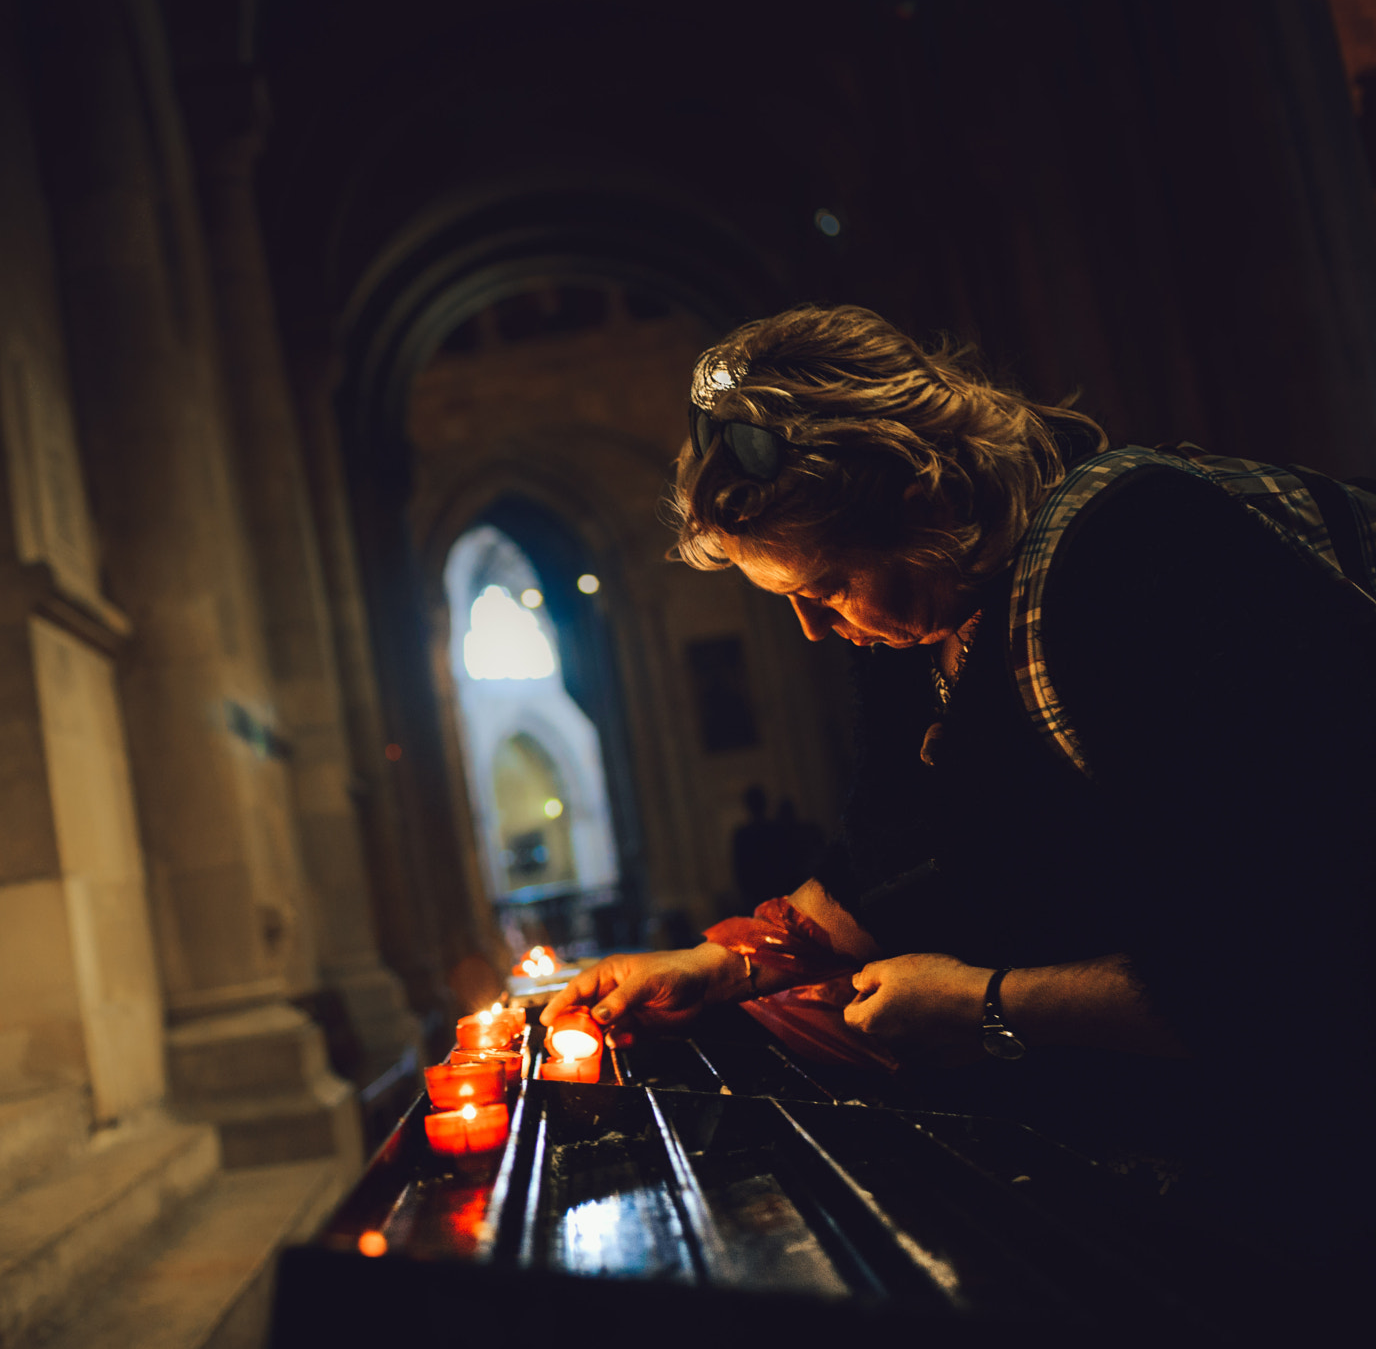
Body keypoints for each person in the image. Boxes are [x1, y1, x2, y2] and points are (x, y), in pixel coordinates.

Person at [546, 304, 1376, 1263]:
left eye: (823, 588)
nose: (815, 629)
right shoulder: (919, 617)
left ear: (923, 502)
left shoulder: (1142, 556)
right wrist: (725, 961)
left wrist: (986, 1005)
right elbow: (889, 860)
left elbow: (1282, 965)